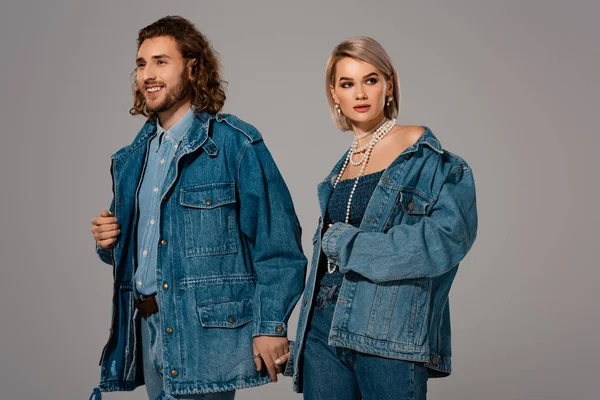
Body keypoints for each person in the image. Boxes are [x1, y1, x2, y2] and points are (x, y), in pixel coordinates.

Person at [89, 15, 306, 400]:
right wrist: (107, 241)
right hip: (147, 327)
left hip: (202, 337)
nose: (148, 74)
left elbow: (279, 245)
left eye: (161, 61)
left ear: (192, 67)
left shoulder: (234, 143)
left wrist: (270, 326)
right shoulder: (132, 160)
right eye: (142, 64)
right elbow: (139, 252)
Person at [288, 37, 478, 399]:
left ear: (388, 86)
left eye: (370, 80)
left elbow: (445, 239)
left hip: (386, 331)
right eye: (347, 83)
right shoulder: (341, 167)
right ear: (334, 94)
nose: (360, 93)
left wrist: (345, 243)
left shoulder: (423, 155)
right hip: (322, 331)